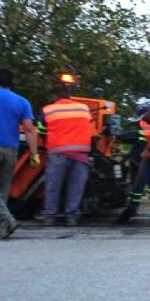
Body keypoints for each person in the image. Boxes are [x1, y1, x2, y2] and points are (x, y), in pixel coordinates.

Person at [0, 69, 39, 238]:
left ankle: (7, 220)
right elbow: (29, 129)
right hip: (10, 149)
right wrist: (34, 153)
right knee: (1, 190)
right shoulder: (22, 102)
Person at [37, 85, 91, 226]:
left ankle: (50, 217)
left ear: (55, 96)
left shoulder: (48, 110)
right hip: (80, 154)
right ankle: (71, 217)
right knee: (76, 187)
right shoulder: (84, 109)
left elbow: (41, 131)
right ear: (69, 95)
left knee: (53, 185)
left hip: (57, 153)